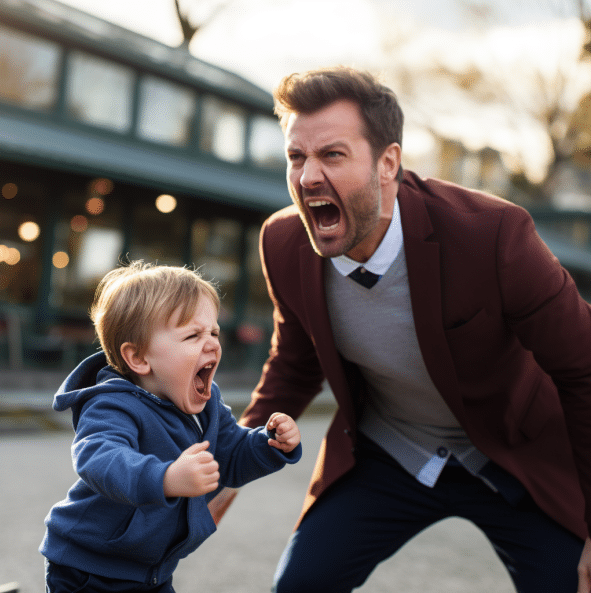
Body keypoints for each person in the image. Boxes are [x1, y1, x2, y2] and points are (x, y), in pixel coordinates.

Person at [209, 67, 591, 592]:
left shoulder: (494, 236)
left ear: (388, 163)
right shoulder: (283, 241)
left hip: (513, 452)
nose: (308, 177)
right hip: (390, 452)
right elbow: (295, 365)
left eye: (332, 155)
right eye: (297, 157)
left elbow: (584, 371)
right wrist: (236, 459)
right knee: (300, 586)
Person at [40, 261, 301, 593]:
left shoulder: (205, 401)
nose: (211, 344)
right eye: (193, 335)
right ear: (139, 359)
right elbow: (100, 458)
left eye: (214, 332)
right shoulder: (112, 404)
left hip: (152, 569)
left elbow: (231, 457)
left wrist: (268, 443)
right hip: (89, 568)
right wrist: (166, 478)